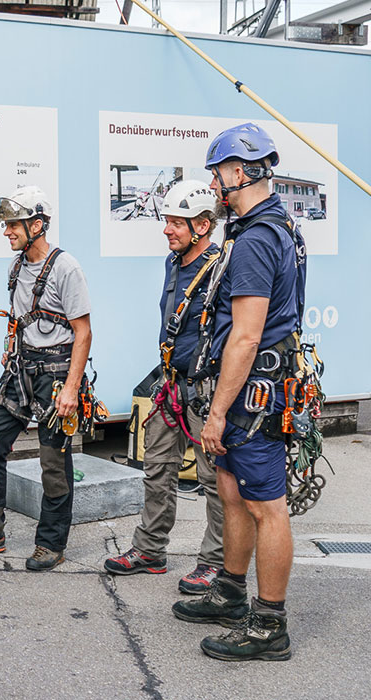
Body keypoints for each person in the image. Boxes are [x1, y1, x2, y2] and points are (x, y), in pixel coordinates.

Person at [172, 123, 307, 662]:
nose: (213, 186)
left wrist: (218, 412)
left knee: (266, 506)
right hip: (259, 387)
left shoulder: (254, 240)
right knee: (231, 491)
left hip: (253, 393)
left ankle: (269, 623)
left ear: (238, 173)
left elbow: (247, 335)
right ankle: (230, 593)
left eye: (216, 175)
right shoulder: (280, 228)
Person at [0, 186, 92, 571]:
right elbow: (19, 317)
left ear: (38, 224)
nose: (7, 231)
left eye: (14, 225)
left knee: (53, 464)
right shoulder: (17, 267)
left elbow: (84, 332)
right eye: (7, 224)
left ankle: (51, 544)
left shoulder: (66, 267)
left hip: (56, 374)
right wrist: (11, 347)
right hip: (20, 370)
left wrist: (73, 389)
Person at [104, 180, 225, 594]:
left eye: (177, 222)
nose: (167, 229)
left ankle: (215, 563)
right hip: (171, 383)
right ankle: (150, 550)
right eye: (167, 221)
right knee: (157, 469)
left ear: (204, 225)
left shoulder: (221, 270)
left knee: (214, 481)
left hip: (207, 388)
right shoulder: (173, 263)